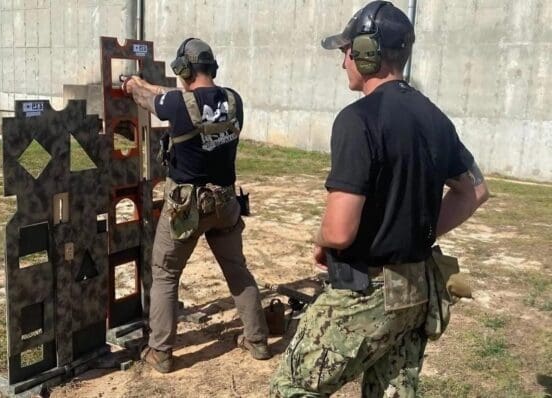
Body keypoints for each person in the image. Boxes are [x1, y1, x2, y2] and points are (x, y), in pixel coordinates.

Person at [270, 1, 489, 397]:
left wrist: (321, 239)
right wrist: (415, 232)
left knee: (293, 386)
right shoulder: (434, 117)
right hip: (416, 290)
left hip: (365, 292)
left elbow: (338, 230)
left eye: (347, 52)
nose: (344, 63)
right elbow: (474, 189)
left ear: (367, 53)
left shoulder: (357, 120)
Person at [123, 38, 270, 374]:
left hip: (186, 207)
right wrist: (147, 83)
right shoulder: (234, 101)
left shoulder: (176, 104)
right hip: (225, 202)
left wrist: (134, 86)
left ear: (183, 70)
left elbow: (151, 100)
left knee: (165, 274)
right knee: (237, 270)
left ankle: (160, 351)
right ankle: (258, 340)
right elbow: (176, 97)